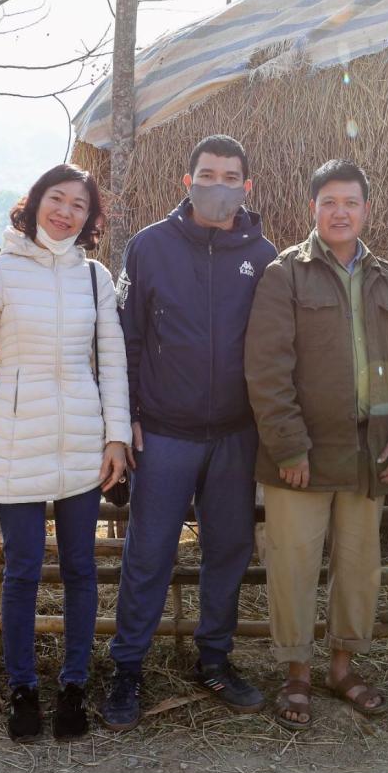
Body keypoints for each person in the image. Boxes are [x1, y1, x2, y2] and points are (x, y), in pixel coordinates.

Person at [0, 163, 132, 743]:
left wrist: (116, 436)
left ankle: (74, 685)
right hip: (17, 437)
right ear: (35, 202)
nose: (66, 211)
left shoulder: (96, 278)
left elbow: (113, 362)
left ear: (90, 218)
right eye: (58, 198)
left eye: (79, 204)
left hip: (80, 438)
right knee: (22, 570)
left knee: (80, 568)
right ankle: (22, 690)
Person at [103, 135, 279, 730]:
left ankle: (215, 660)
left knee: (227, 551)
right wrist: (123, 414)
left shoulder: (265, 254)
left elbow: (277, 347)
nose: (219, 184)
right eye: (207, 173)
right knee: (148, 554)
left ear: (247, 187)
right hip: (164, 432)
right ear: (187, 180)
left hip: (235, 434)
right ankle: (127, 668)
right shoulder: (149, 248)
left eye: (232, 175)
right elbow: (124, 339)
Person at [244, 158, 388, 729]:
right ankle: (296, 674)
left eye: (350, 202)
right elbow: (266, 369)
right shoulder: (284, 275)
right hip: (300, 455)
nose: (340, 212)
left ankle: (342, 667)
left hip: (370, 455)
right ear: (313, 210)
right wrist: (289, 446)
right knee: (293, 564)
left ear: (367, 210)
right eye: (329, 203)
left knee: (358, 566)